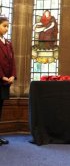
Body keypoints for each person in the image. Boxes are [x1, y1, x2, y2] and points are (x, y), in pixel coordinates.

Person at [0, 16, 16, 145]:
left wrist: (12, 75)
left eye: (7, 26)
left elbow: (12, 62)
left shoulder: (8, 43)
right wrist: (2, 76)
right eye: (4, 26)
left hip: (5, 82)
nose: (6, 28)